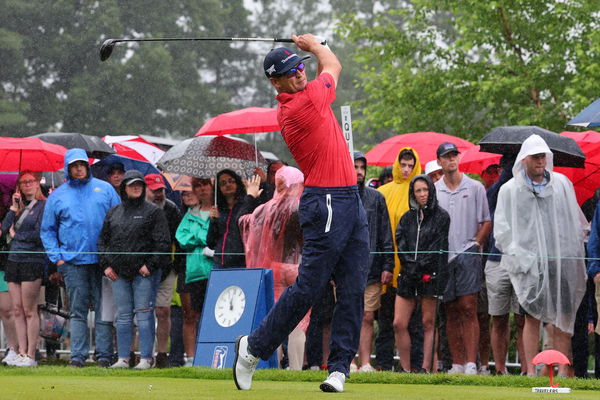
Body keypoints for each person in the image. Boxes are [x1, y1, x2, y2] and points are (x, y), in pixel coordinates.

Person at [233, 34, 369, 393]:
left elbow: (326, 68)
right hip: (324, 202)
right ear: (275, 82)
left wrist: (308, 53)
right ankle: (253, 348)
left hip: (350, 200)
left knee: (353, 289)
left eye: (299, 67)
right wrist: (312, 45)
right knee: (309, 287)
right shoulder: (300, 106)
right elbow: (334, 64)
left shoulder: (308, 95)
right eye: (289, 72)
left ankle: (339, 368)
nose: (299, 73)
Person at [495, 134, 588, 376]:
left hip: (560, 260)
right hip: (529, 265)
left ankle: (563, 372)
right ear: (524, 159)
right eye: (535, 157)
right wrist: (521, 258)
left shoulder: (561, 185)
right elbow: (502, 230)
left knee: (562, 317)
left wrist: (570, 252)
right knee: (531, 317)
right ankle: (531, 371)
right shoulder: (510, 190)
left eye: (543, 156)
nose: (540, 161)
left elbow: (574, 223)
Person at [41, 148, 120, 368]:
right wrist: (58, 259)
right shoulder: (57, 195)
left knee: (104, 310)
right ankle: (78, 356)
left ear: (87, 166)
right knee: (77, 311)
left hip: (103, 262)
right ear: (68, 168)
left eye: (82, 164)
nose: (78, 168)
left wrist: (114, 255)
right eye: (74, 165)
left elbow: (119, 220)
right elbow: (47, 230)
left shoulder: (104, 189)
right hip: (73, 263)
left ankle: (104, 355)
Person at [99, 170, 170, 369]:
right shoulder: (114, 212)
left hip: (144, 273)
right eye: (131, 184)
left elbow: (163, 242)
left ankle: (147, 358)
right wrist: (106, 266)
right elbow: (102, 242)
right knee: (122, 317)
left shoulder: (154, 211)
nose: (136, 187)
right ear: (124, 188)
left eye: (139, 184)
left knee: (145, 315)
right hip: (118, 274)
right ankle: (123, 358)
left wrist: (151, 265)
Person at [239, 166, 307, 370]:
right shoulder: (303, 207)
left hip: (274, 270)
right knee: (298, 323)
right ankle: (295, 368)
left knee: (276, 320)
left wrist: (250, 196)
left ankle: (274, 368)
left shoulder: (264, 209)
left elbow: (242, 223)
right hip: (298, 269)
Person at [435, 142, 491, 375]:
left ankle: (470, 362)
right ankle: (457, 363)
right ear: (439, 161)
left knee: (468, 307)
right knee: (450, 309)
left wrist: (476, 243)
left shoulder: (475, 187)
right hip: (444, 256)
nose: (451, 160)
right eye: (447, 157)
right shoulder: (435, 188)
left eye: (454, 156)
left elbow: (486, 220)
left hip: (468, 253)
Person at [394, 174, 450, 373]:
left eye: (425, 189)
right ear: (413, 194)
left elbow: (438, 248)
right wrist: (411, 267)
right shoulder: (406, 218)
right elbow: (401, 245)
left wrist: (421, 269)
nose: (422, 194)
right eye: (418, 190)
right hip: (408, 275)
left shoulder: (442, 217)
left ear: (431, 191)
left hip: (431, 275)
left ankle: (427, 368)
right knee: (399, 323)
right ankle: (407, 369)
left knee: (428, 323)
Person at [377, 147, 422, 371]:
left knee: (413, 322)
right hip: (388, 266)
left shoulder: (420, 192)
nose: (406, 169)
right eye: (403, 165)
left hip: (412, 269)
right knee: (385, 320)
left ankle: (414, 366)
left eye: (410, 165)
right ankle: (384, 364)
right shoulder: (383, 192)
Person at [350, 152, 393, 372]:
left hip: (372, 267)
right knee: (348, 315)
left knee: (367, 316)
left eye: (362, 167)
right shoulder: (340, 195)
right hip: (346, 269)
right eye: (355, 166)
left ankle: (365, 362)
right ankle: (349, 360)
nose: (359, 171)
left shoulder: (376, 198)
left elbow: (386, 232)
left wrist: (388, 265)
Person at [2, 171, 46, 367]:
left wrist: (17, 235)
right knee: (17, 309)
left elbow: (40, 233)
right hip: (14, 259)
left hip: (32, 259)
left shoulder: (44, 205)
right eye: (23, 182)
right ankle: (20, 351)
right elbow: (3, 229)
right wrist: (13, 208)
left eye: (30, 181)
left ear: (37, 183)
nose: (27, 185)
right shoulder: (18, 208)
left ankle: (30, 354)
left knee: (30, 310)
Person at [144, 173, 182, 368]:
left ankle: (161, 353)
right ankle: (142, 353)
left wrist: (175, 266)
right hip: (142, 269)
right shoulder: (138, 209)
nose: (159, 194)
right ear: (146, 190)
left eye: (161, 190)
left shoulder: (172, 209)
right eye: (154, 190)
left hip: (166, 268)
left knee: (163, 310)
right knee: (141, 312)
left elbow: (178, 239)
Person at [175, 177, 214, 366]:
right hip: (193, 272)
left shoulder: (217, 212)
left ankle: (211, 355)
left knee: (211, 315)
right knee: (190, 315)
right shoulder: (189, 214)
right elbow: (182, 239)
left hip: (214, 271)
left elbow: (215, 237)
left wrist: (197, 235)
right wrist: (202, 236)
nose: (201, 189)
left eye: (204, 185)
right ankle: (191, 358)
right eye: (197, 186)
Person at [207, 169, 253, 269]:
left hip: (242, 263)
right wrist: (213, 222)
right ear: (218, 188)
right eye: (223, 183)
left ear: (237, 183)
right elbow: (211, 243)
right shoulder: (218, 210)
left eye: (231, 181)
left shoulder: (245, 205)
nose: (227, 185)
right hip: (220, 264)